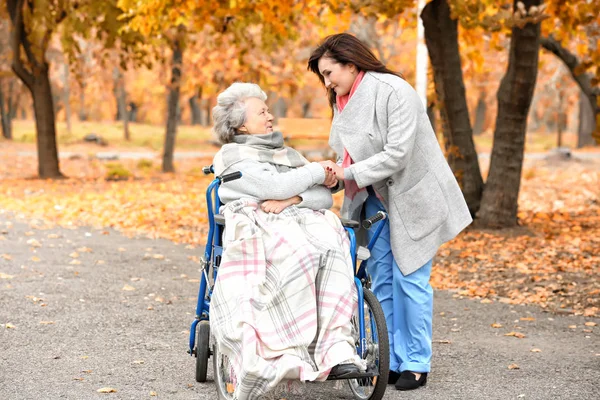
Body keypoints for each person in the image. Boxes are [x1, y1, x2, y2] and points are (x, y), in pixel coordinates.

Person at [308, 33, 472, 391]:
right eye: (322, 76)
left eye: (329, 72)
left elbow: (397, 154)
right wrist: (333, 174)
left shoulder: (394, 91)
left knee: (410, 279)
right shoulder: (343, 99)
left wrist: (346, 172)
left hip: (414, 197)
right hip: (374, 200)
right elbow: (348, 154)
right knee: (381, 279)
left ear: (351, 64)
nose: (327, 81)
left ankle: (416, 362)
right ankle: (391, 360)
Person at [209, 82, 365, 400]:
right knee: (300, 254)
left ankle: (337, 351)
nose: (270, 116)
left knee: (333, 250)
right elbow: (272, 186)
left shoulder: (285, 152)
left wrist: (294, 197)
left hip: (300, 218)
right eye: (262, 111)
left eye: (268, 110)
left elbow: (322, 197)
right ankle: (286, 353)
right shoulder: (231, 155)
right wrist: (314, 173)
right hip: (258, 222)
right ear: (240, 123)